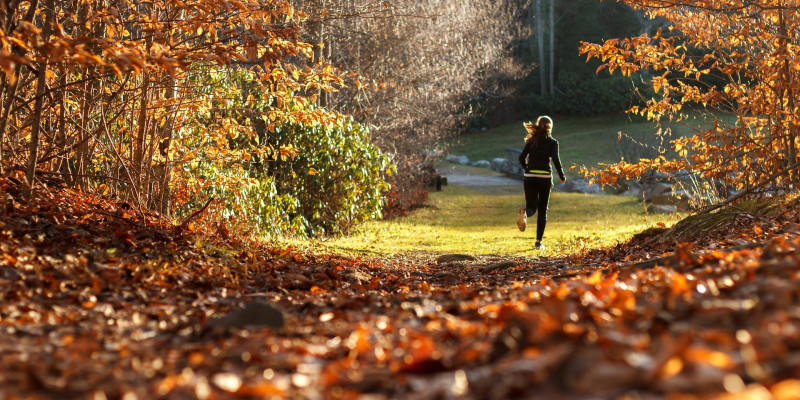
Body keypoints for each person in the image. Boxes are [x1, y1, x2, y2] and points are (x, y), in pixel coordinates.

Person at [516, 116, 566, 249]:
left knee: (531, 207)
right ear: (550, 127)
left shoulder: (532, 140)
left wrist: (526, 168)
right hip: (544, 178)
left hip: (530, 176)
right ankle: (538, 242)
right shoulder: (553, 142)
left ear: (538, 125)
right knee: (542, 210)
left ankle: (525, 213)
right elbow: (555, 159)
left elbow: (521, 157)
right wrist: (562, 176)